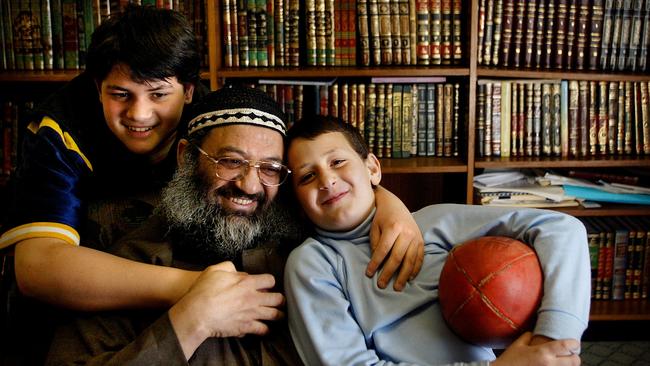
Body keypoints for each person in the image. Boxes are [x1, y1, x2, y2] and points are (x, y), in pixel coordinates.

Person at [0, 5, 421, 316]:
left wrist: (385, 200)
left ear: (188, 90)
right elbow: (38, 268)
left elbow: (307, 165)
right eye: (120, 94)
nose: (140, 115)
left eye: (159, 95)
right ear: (97, 86)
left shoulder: (220, 114)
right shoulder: (58, 130)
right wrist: (202, 289)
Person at [44, 86, 423, 365]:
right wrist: (190, 321)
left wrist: (388, 203)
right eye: (230, 161)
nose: (249, 185)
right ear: (187, 157)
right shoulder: (131, 262)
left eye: (270, 169)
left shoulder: (312, 246)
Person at [283, 115, 590, 366]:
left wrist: (553, 338)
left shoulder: (433, 222)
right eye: (307, 177)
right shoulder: (313, 263)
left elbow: (562, 229)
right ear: (297, 199)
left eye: (337, 162)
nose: (327, 180)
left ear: (372, 168)